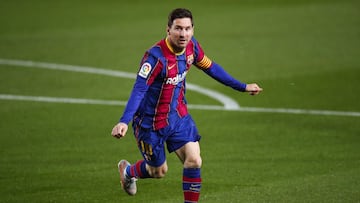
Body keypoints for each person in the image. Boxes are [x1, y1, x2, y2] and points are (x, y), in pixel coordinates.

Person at [111, 8, 262, 202]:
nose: (183, 34)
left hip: (178, 116)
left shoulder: (192, 47)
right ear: (168, 30)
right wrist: (124, 121)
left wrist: (242, 87)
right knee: (158, 171)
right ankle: (129, 171)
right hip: (151, 123)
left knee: (194, 160)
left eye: (187, 29)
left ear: (193, 29)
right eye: (178, 29)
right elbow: (139, 89)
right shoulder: (155, 58)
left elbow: (211, 67)